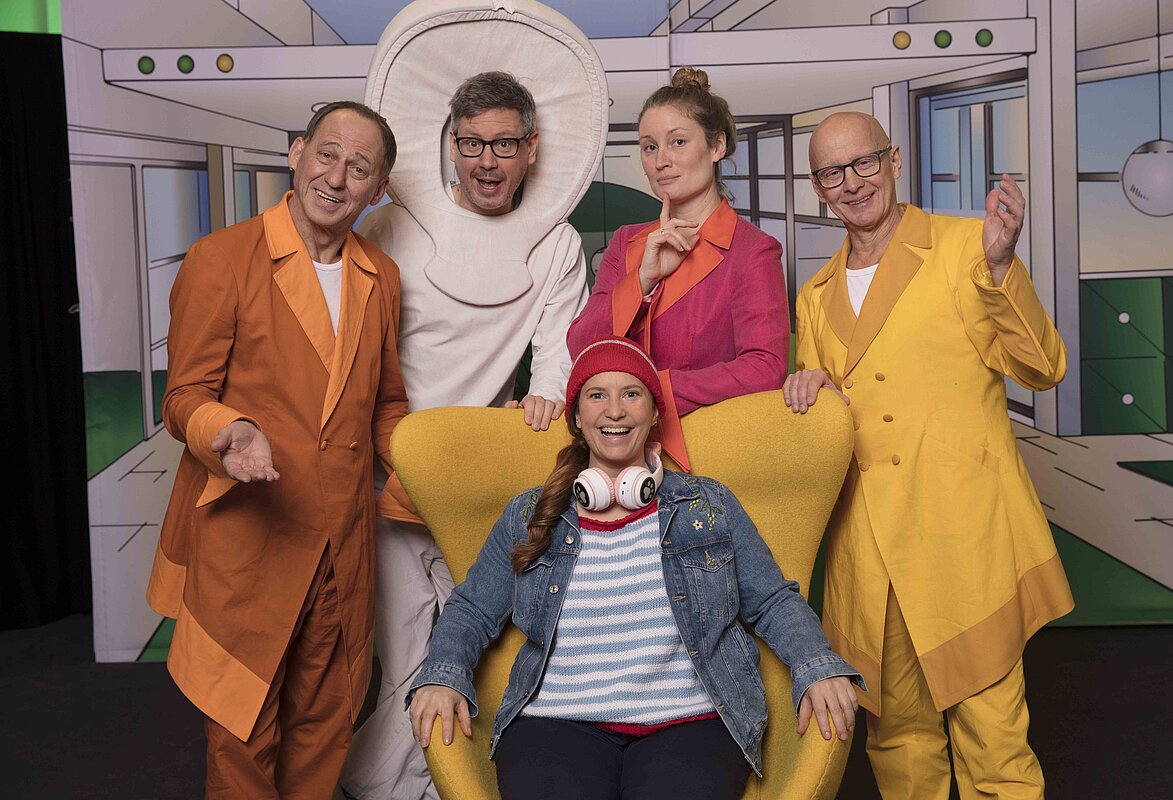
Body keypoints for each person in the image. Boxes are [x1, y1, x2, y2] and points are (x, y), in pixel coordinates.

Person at [407, 337, 863, 800]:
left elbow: (771, 600)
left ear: (654, 413)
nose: (615, 410)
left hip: (690, 723)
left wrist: (816, 665)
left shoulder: (707, 504)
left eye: (631, 393)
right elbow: (472, 608)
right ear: (577, 418)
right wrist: (444, 675)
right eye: (597, 395)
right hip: (554, 722)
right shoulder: (530, 514)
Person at [783, 111, 1073, 799]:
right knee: (897, 742)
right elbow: (824, 432)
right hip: (867, 550)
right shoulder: (814, 297)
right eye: (832, 172)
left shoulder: (968, 246)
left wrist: (1001, 268)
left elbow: (1043, 367)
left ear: (894, 161)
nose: (852, 182)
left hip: (960, 532)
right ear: (817, 188)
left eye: (864, 162)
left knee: (994, 741)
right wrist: (808, 393)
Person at [145, 101, 407, 798]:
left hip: (341, 542)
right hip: (250, 536)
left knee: (324, 723)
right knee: (242, 732)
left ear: (379, 188)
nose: (336, 178)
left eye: (359, 168)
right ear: (296, 153)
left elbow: (386, 405)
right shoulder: (222, 258)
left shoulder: (381, 276)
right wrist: (228, 430)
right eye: (327, 154)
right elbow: (182, 397)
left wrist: (435, 469)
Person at [341, 72, 590, 800]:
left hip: (481, 487)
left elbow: (559, 352)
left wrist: (545, 397)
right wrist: (386, 454)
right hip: (389, 473)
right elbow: (360, 351)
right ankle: (387, 786)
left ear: (531, 148)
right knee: (402, 658)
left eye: (504, 144)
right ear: (451, 144)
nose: (487, 160)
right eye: (473, 143)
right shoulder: (393, 228)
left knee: (478, 653)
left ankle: (431, 784)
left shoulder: (555, 243)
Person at [567, 67, 789, 471]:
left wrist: (648, 391)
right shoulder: (626, 243)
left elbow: (765, 368)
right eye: (649, 147)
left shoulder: (752, 251)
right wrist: (642, 279)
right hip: (611, 455)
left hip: (707, 452)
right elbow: (581, 348)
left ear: (717, 146)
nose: (661, 161)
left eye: (678, 142)